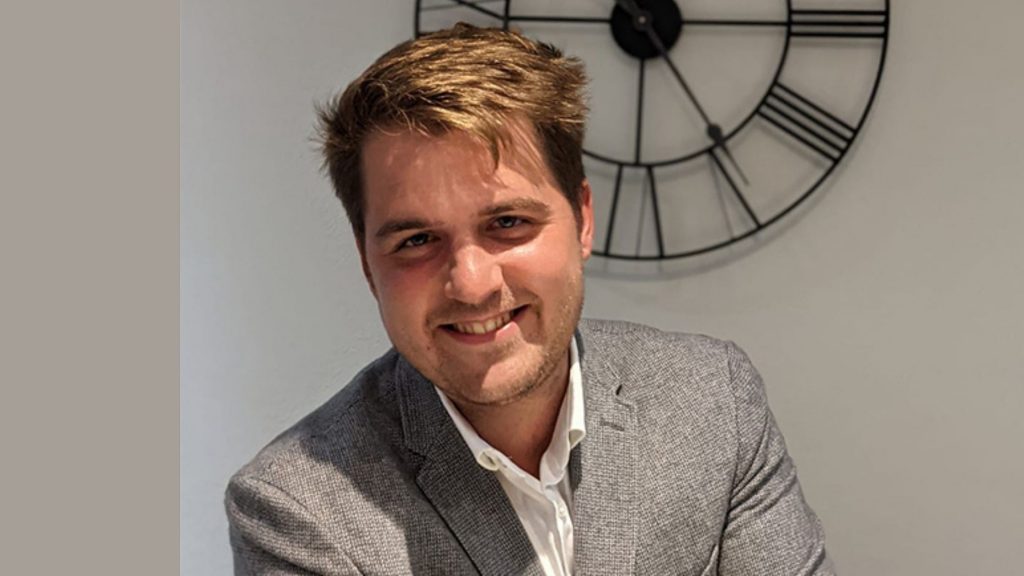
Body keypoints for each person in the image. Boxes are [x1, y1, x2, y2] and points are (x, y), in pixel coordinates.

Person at [225, 23, 834, 576]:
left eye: (508, 223)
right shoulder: (296, 510)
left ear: (583, 220)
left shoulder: (712, 401)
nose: (471, 284)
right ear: (367, 264)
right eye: (416, 240)